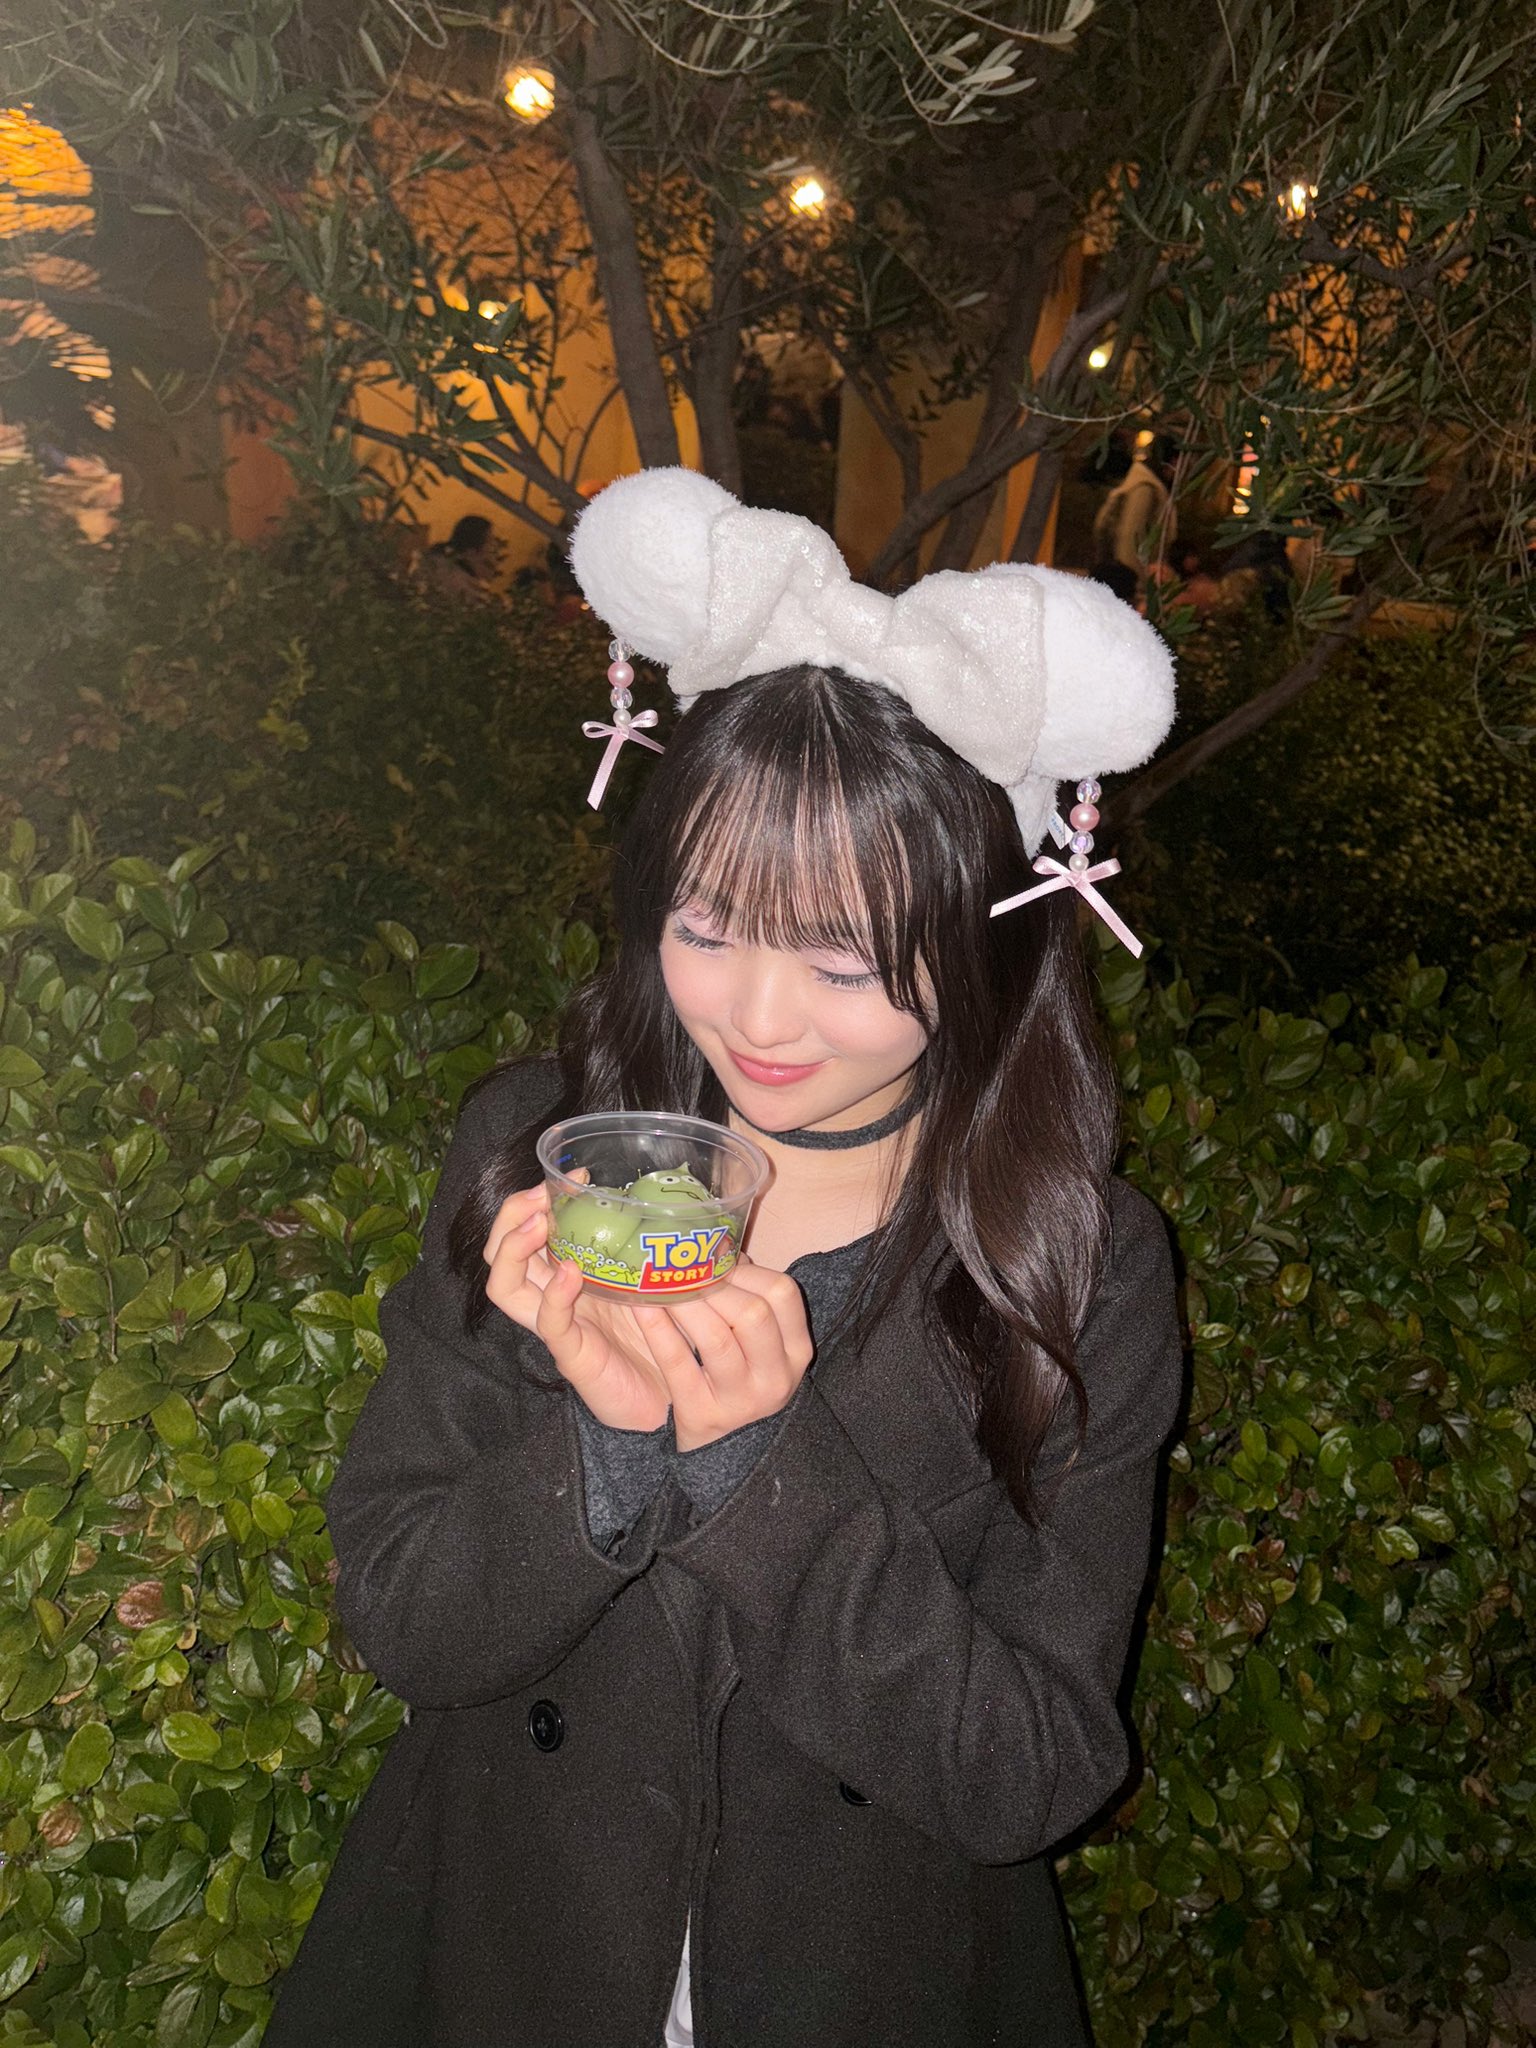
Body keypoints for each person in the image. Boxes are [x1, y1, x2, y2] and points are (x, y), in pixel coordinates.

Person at [265, 470, 1185, 2048]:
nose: (760, 1019)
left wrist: (763, 1471)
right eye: (707, 929)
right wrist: (604, 1446)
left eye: (845, 962)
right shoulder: (537, 1153)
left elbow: (1032, 1772)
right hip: (505, 1952)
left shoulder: (1069, 1262)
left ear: (987, 939)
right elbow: (405, 1618)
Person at [1091, 432, 1176, 594]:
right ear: (1173, 461)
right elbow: (1130, 537)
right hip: (1125, 582)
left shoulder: (1141, 484)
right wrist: (1134, 587)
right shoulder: (1145, 489)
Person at [420, 511, 504, 600]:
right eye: (489, 542)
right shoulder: (462, 587)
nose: (493, 546)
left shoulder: (435, 559)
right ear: (471, 552)